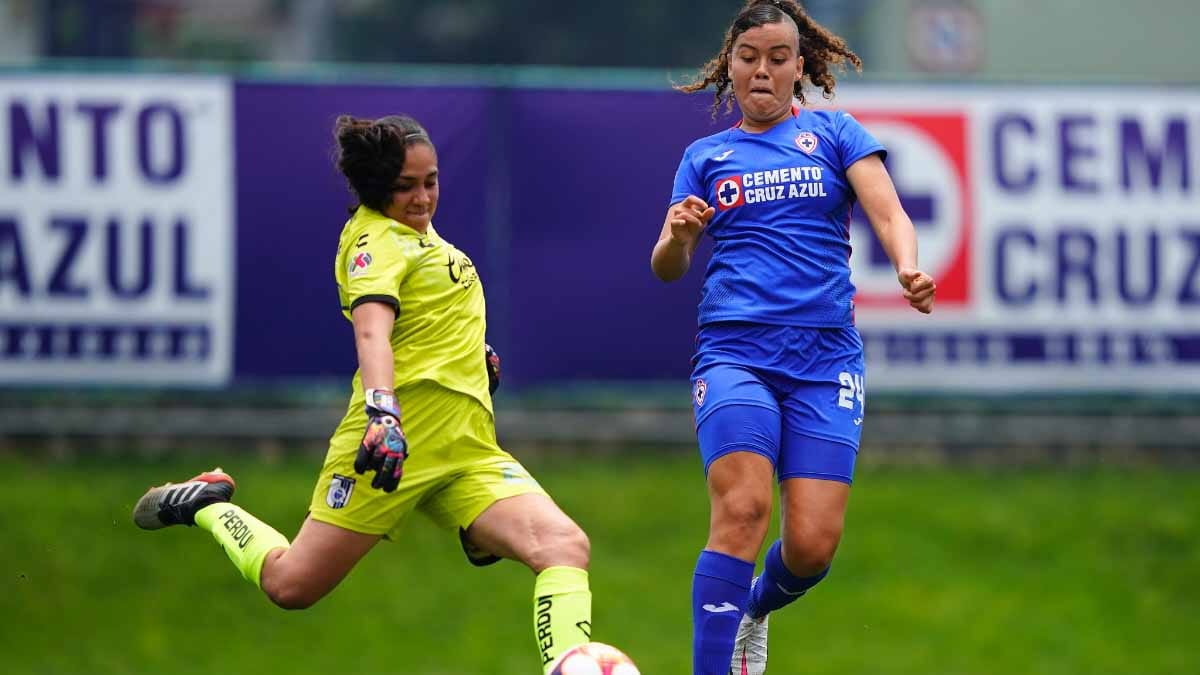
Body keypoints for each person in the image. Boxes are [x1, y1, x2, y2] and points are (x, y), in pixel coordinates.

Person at [133, 113, 594, 674]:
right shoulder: (374, 242)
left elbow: (425, 321)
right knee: (291, 584)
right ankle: (206, 503)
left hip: (466, 452)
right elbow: (372, 330)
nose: (422, 197)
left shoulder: (424, 239)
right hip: (389, 448)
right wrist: (383, 410)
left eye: (431, 180)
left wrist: (476, 353)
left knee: (564, 547)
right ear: (377, 187)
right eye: (406, 186)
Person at [650, 2, 936, 674]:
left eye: (778, 57)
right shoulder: (705, 157)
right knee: (744, 507)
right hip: (735, 354)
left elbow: (889, 212)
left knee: (811, 548)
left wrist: (908, 264)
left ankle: (752, 609)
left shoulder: (836, 134)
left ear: (799, 67)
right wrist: (681, 236)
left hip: (824, 358)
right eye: (749, 57)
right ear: (732, 65)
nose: (762, 70)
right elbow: (664, 265)